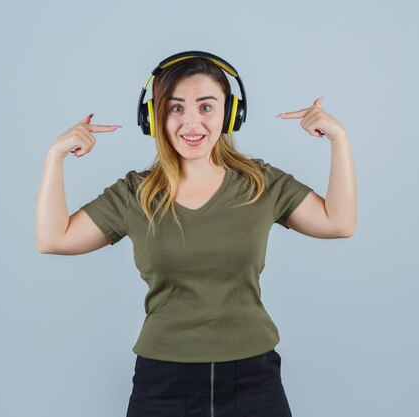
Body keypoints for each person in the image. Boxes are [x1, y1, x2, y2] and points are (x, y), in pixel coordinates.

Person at [35, 51, 356, 417]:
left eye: (206, 107)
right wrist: (54, 157)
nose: (191, 123)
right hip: (163, 381)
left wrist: (339, 140)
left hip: (254, 378)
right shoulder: (135, 193)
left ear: (231, 113)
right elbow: (54, 238)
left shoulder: (261, 183)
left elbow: (338, 222)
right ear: (154, 118)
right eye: (175, 108)